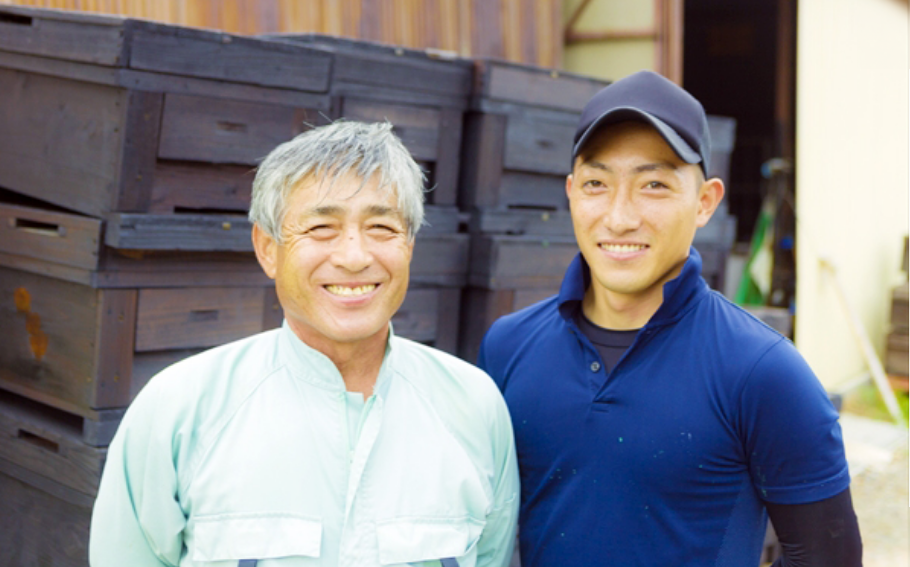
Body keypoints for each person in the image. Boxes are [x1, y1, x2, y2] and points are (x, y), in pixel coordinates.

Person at [90, 121, 519, 567]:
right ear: (267, 248)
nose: (354, 256)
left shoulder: (474, 408)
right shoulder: (179, 409)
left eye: (381, 227)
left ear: (409, 245)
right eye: (321, 228)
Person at [478, 70, 862, 567]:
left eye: (654, 185)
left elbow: (828, 558)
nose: (619, 217)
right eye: (597, 183)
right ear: (571, 192)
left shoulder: (762, 371)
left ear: (705, 203)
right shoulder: (508, 347)